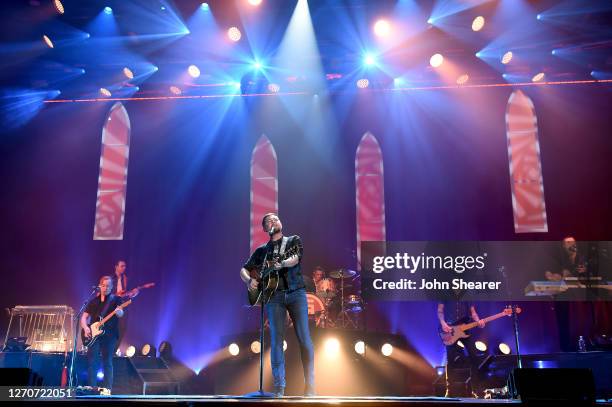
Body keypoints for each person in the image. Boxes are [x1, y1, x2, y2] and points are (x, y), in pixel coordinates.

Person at [240, 213, 315, 397]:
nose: (274, 221)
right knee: (276, 341)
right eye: (269, 221)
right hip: (273, 297)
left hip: (296, 292)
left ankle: (310, 386)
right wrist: (250, 280)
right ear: (265, 229)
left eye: (276, 218)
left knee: (304, 339)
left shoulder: (292, 241)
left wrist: (281, 263)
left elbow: (296, 258)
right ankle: (279, 387)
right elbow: (243, 269)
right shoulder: (261, 251)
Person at [81, 275, 124, 390]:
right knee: (92, 362)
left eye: (108, 286)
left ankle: (107, 390)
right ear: (100, 286)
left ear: (112, 287)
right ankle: (92, 389)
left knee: (107, 362)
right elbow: (83, 317)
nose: (105, 288)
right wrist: (85, 328)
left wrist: (119, 312)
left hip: (110, 335)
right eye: (103, 285)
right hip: (94, 335)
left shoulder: (116, 299)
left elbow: (121, 314)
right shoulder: (93, 301)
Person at [437, 299, 485, 397]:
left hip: (465, 330)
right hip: (450, 330)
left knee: (474, 357)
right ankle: (449, 390)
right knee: (450, 360)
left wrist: (478, 321)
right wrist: (443, 323)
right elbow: (440, 310)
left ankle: (475, 389)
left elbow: (473, 312)